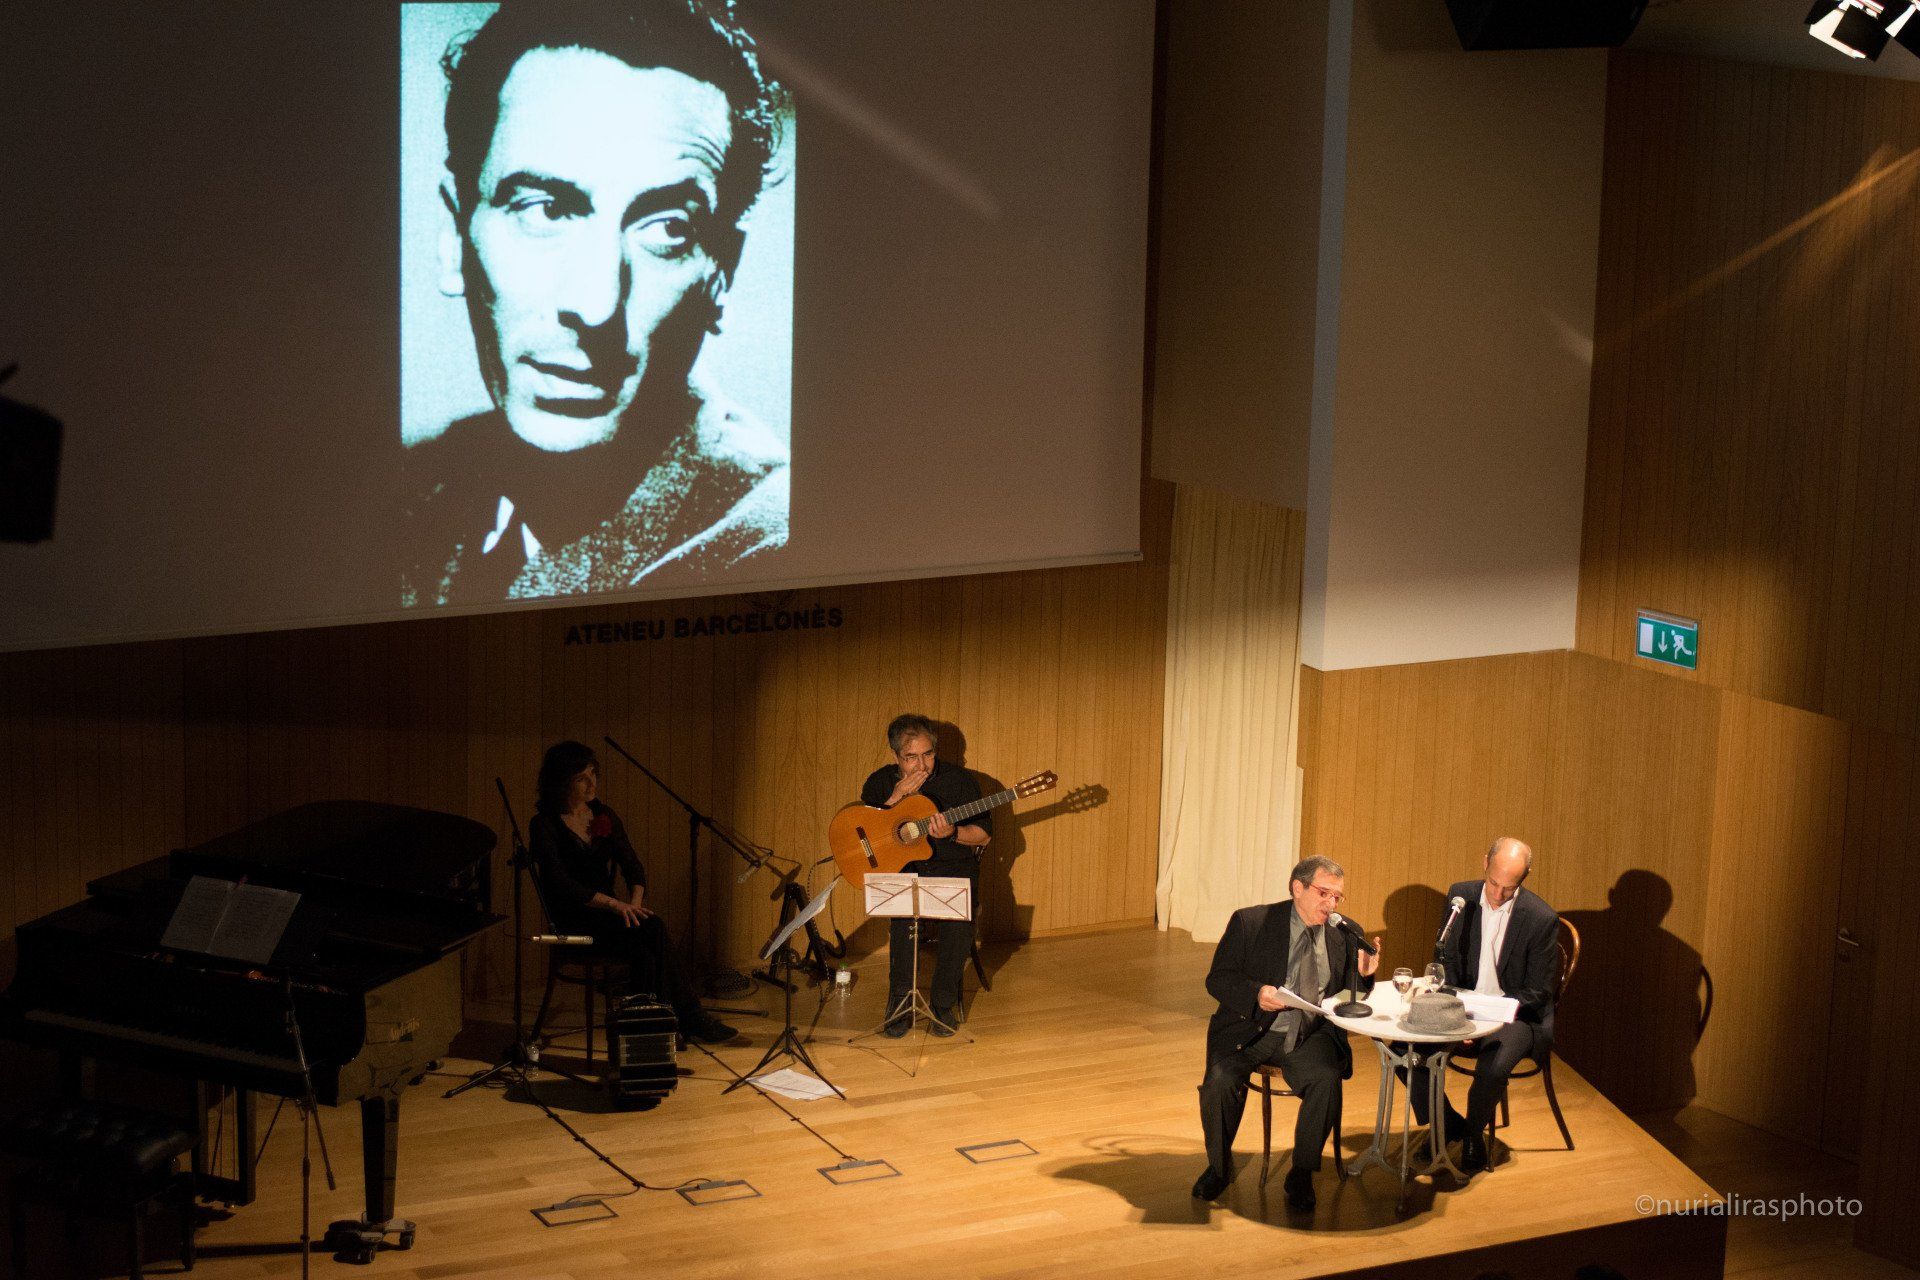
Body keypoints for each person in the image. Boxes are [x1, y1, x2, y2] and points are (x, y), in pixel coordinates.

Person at [402, 0, 790, 607]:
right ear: (454, 241)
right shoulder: (406, 490)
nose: (596, 303)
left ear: (722, 277)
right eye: (545, 210)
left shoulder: (768, 546)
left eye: (667, 229)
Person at [1194, 855, 1379, 1210]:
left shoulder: (1345, 932)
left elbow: (1350, 995)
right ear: (1298, 887)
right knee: (1219, 1083)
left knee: (1326, 1079)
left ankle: (1302, 1172)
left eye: (1337, 896)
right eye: (1323, 893)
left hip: (1310, 1033)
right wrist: (1256, 994)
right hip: (1250, 1028)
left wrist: (1365, 975)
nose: (1331, 904)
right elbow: (1218, 979)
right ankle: (1218, 1167)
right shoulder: (1252, 922)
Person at [526, 740, 736, 1043]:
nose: (592, 784)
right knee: (654, 931)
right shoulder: (543, 824)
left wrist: (633, 906)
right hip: (574, 924)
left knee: (646, 947)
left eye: (593, 774)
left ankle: (657, 1029)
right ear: (561, 781)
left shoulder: (603, 815)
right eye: (582, 778)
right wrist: (615, 905)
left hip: (610, 917)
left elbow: (634, 869)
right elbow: (560, 884)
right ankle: (685, 1019)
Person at [1405, 836, 1560, 1173]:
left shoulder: (1541, 918)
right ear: (1485, 863)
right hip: (1463, 1005)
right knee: (1405, 1053)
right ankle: (1447, 1125)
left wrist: (1485, 1016)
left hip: (1515, 1014)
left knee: (1493, 1068)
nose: (1498, 894)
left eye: (1509, 887)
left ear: (1525, 877)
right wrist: (1459, 1015)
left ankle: (1473, 1135)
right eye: (1493, 883)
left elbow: (1538, 992)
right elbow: (1446, 961)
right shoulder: (1461, 896)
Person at [857, 715, 991, 1038]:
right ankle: (900, 1004)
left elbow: (984, 835)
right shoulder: (879, 783)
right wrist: (895, 798)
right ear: (896, 757)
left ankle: (943, 1004)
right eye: (911, 757)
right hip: (906, 870)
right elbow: (864, 834)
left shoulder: (960, 782)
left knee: (957, 925)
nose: (922, 765)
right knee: (903, 920)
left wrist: (953, 832)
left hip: (952, 869)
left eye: (928, 754)